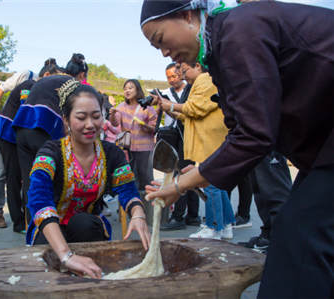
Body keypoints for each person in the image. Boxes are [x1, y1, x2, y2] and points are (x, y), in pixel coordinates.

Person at [140, 1, 334, 297]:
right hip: (321, 153)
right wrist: (201, 171)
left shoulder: (238, 31)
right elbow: (243, 128)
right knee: (300, 233)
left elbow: (255, 135)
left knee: (302, 236)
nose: (164, 52)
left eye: (160, 40)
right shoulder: (221, 49)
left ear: (187, 15)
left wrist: (180, 185)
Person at [26, 78, 149, 279]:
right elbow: (39, 200)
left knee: (84, 223)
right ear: (66, 120)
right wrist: (66, 256)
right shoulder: (50, 152)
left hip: (87, 229)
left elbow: (128, 190)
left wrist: (138, 214)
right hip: (51, 231)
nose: (90, 125)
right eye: (81, 117)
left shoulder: (112, 154)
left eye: (96, 116)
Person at [157, 62, 235, 239]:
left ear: (198, 66)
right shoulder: (198, 83)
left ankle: (214, 226)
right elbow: (186, 116)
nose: (183, 75)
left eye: (184, 71)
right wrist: (167, 107)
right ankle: (226, 224)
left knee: (210, 183)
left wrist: (170, 105)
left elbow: (195, 109)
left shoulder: (205, 79)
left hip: (209, 141)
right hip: (211, 140)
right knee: (218, 183)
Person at [12, 74, 72, 230]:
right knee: (50, 176)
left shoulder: (47, 81)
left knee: (29, 180)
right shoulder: (74, 85)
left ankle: (31, 227)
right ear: (81, 75)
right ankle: (48, 227)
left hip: (21, 127)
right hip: (42, 127)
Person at [0, 71, 37, 231]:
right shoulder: (29, 84)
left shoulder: (37, 87)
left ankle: (24, 218)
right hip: (7, 133)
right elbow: (24, 112)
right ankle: (17, 222)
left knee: (20, 176)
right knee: (12, 176)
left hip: (16, 135)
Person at [159, 62, 200, 231]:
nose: (172, 80)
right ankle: (193, 216)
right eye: (168, 77)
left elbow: (190, 112)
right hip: (176, 137)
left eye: (175, 75)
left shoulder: (193, 89)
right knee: (188, 173)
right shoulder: (166, 93)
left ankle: (180, 216)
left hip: (188, 138)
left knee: (183, 174)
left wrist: (171, 106)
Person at [237, 152, 292, 253]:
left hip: (269, 145)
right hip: (255, 147)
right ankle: (267, 236)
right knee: (260, 189)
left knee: (276, 191)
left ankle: (280, 244)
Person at [109, 79, 157, 192]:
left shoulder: (147, 107)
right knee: (128, 176)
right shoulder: (121, 106)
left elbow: (154, 127)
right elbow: (115, 123)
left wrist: (146, 126)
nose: (127, 91)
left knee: (145, 176)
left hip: (144, 147)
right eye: (125, 89)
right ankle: (131, 203)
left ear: (138, 90)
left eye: (130, 88)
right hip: (126, 146)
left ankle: (147, 203)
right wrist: (112, 115)